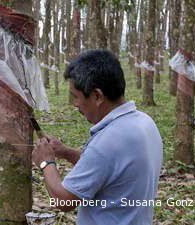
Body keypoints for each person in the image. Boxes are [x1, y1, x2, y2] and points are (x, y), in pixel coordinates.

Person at [32, 49, 163, 225]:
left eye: (76, 97)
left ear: (97, 96)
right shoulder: (145, 122)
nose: (75, 104)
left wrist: (46, 162)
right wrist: (65, 152)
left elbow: (64, 200)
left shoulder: (107, 142)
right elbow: (110, 168)